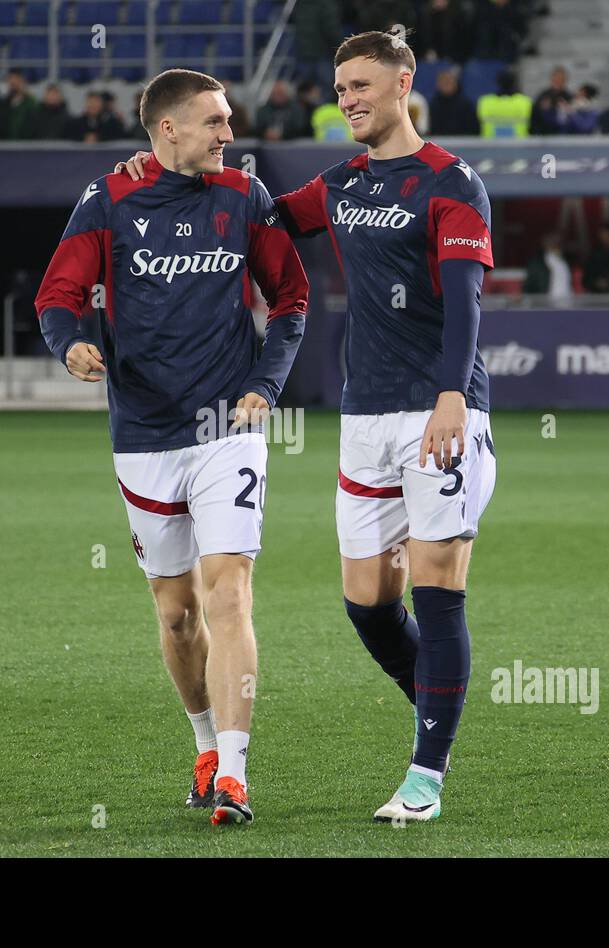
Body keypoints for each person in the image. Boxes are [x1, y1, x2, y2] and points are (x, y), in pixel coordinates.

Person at [122, 29, 496, 824]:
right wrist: (154, 171)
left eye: (362, 85)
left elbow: (464, 300)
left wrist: (453, 395)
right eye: (340, 90)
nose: (349, 100)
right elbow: (252, 211)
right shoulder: (342, 184)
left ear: (403, 84)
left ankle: (426, 774)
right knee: (366, 603)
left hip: (440, 411)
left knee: (436, 586)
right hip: (365, 416)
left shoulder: (452, 185)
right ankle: (438, 704)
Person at [37, 69, 309, 827]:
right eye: (215, 122)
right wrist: (71, 347)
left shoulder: (245, 197)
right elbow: (56, 297)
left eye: (230, 120)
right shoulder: (109, 200)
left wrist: (267, 381)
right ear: (167, 131)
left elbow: (290, 298)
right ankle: (202, 746)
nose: (230, 134)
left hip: (230, 427)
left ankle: (234, 772)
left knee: (228, 592)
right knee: (177, 612)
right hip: (145, 434)